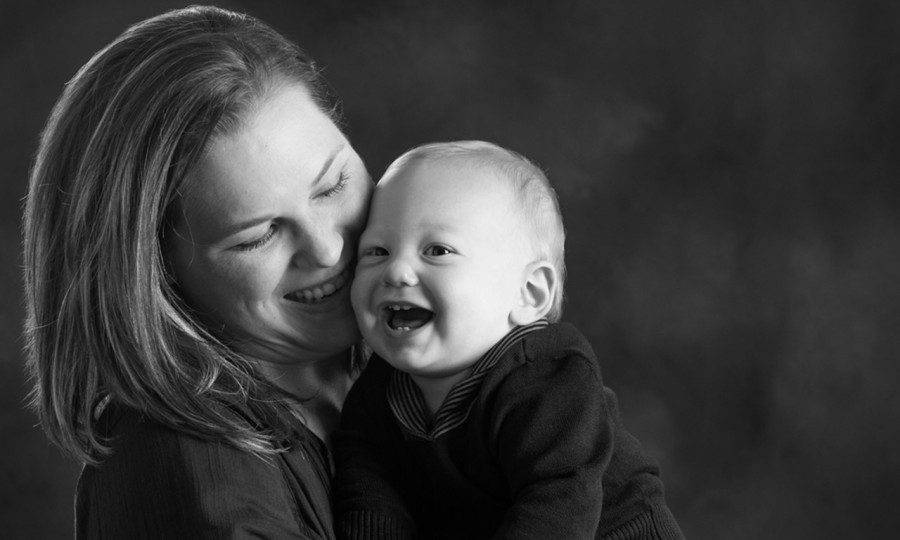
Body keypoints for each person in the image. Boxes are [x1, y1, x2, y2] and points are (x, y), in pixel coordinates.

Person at [22, 6, 373, 538]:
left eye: (333, 186)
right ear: (152, 275)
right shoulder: (181, 465)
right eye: (259, 237)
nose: (326, 249)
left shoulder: (405, 368)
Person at [334, 141, 685, 539]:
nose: (396, 271)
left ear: (529, 293)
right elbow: (371, 498)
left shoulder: (547, 378)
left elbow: (557, 501)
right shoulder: (374, 394)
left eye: (437, 250)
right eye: (377, 251)